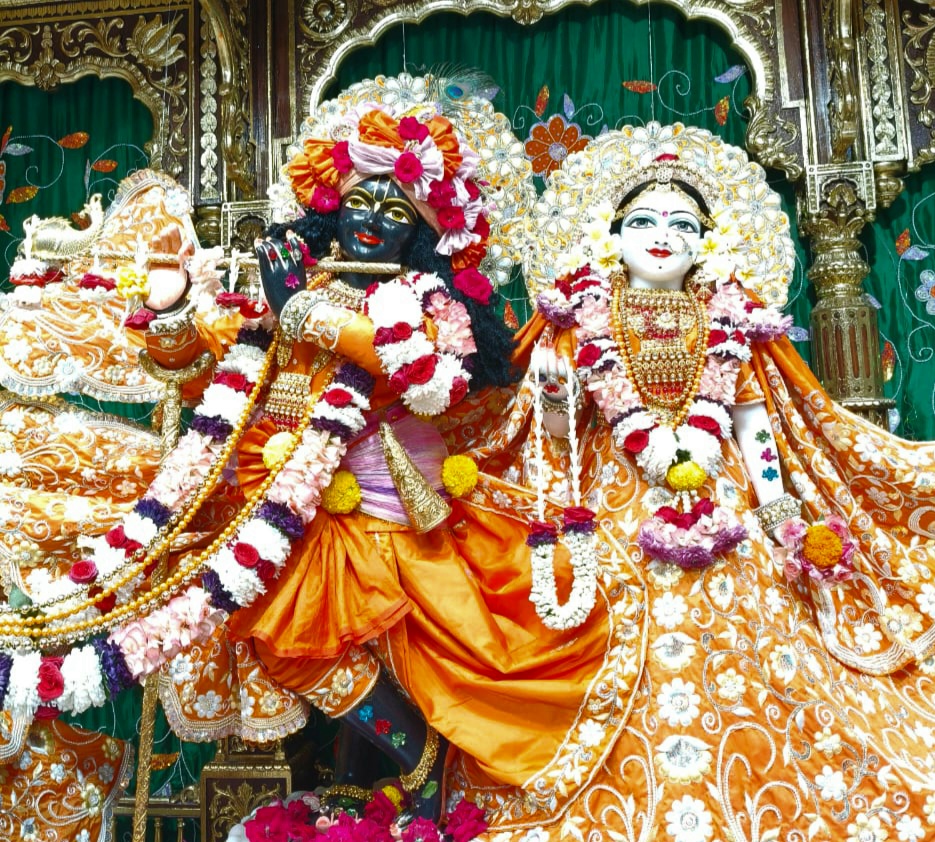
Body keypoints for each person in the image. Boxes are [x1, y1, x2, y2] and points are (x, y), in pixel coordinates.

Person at [423, 123, 935, 841]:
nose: (661, 235)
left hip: (720, 505)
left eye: (681, 225)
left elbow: (753, 426)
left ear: (704, 246)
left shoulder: (730, 322)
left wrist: (780, 510)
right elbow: (557, 438)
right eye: (642, 221)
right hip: (613, 510)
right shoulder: (575, 322)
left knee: (758, 653)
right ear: (612, 238)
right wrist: (552, 394)